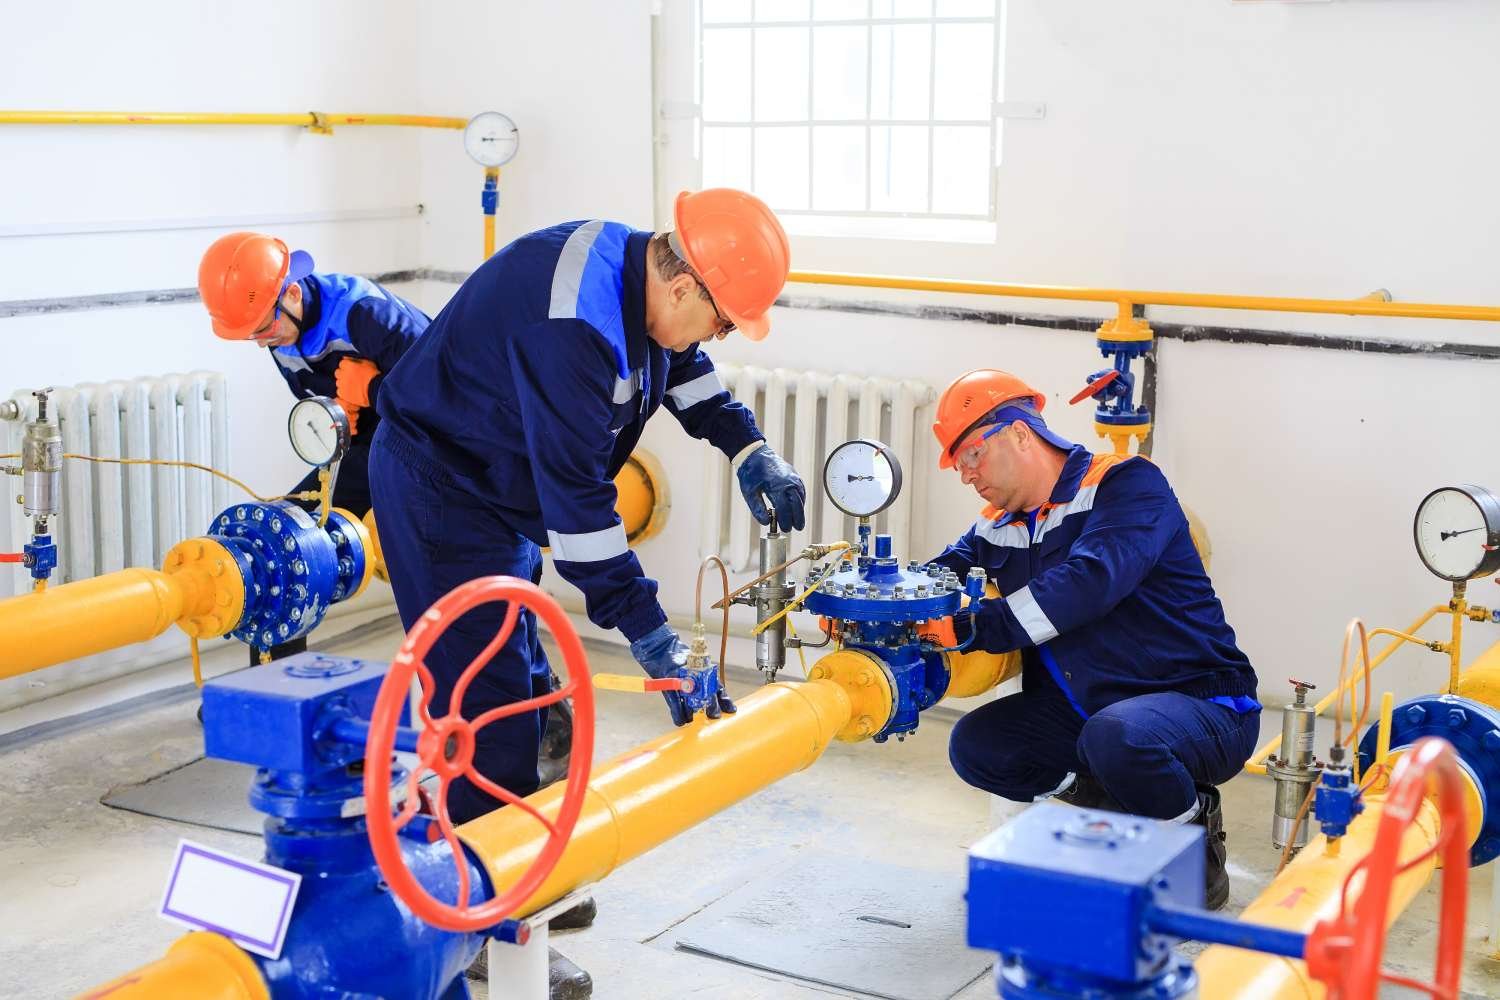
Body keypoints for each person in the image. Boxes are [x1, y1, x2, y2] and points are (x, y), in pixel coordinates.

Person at [368, 189, 805, 997]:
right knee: (487, 708)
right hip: (442, 489)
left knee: (534, 693)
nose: (713, 338)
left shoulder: (640, 273)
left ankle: (531, 866)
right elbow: (580, 516)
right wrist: (651, 635)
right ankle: (486, 925)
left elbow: (683, 367)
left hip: (495, 484)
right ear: (684, 285)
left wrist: (748, 449)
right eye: (719, 322)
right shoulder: (571, 327)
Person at [926, 369, 1259, 910]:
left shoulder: (1127, 485)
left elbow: (1088, 582)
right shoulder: (995, 526)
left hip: (1201, 702)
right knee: (979, 746)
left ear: (1018, 433)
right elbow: (935, 578)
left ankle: (1194, 847)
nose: (966, 475)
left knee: (1120, 737)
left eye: (972, 455)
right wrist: (876, 605)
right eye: (958, 465)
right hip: (1090, 712)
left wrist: (974, 627)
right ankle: (1122, 812)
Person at [198, 232, 430, 664]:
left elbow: (444, 398)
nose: (262, 341)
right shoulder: (279, 332)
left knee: (436, 564)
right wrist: (342, 409)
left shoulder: (366, 314)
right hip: (366, 449)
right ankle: (274, 685)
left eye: (263, 327)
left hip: (427, 450)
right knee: (276, 544)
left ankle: (511, 684)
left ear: (291, 293)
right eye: (251, 335)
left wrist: (372, 389)